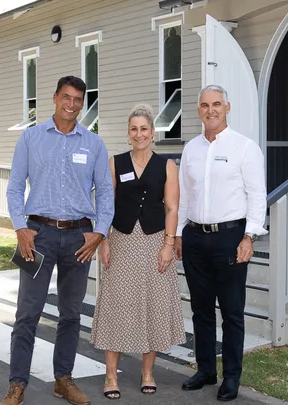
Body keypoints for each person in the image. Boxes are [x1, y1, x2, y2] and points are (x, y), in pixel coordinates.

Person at [1, 76, 115, 405]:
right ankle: (16, 384)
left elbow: (105, 193)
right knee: (28, 312)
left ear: (83, 103)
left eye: (78, 99)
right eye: (66, 97)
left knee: (71, 314)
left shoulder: (93, 144)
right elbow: (14, 187)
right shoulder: (31, 138)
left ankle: (63, 379)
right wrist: (21, 227)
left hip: (79, 238)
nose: (72, 104)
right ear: (54, 98)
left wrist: (99, 231)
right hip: (38, 236)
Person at [174, 85, 267, 402]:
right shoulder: (191, 149)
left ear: (227, 107)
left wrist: (249, 236)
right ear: (198, 109)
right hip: (195, 238)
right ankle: (205, 370)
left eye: (216, 104)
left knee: (231, 313)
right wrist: (177, 234)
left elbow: (257, 195)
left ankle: (231, 377)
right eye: (204, 105)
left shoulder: (245, 147)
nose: (210, 110)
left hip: (231, 237)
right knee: (200, 310)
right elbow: (185, 196)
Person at [89, 104, 186, 400]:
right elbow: (106, 205)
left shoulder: (168, 166)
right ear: (128, 133)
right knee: (116, 304)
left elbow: (172, 207)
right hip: (122, 240)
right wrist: (103, 240)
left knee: (154, 305)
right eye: (134, 129)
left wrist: (169, 245)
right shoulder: (114, 163)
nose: (139, 133)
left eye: (144, 128)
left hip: (156, 242)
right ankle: (110, 376)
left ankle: (147, 372)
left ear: (153, 133)